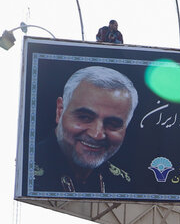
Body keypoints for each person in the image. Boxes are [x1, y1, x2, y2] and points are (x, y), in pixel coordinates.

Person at [33, 65, 138, 193]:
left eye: (113, 124)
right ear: (60, 111)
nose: (97, 134)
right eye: (85, 117)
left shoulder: (123, 184)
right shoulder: (27, 173)